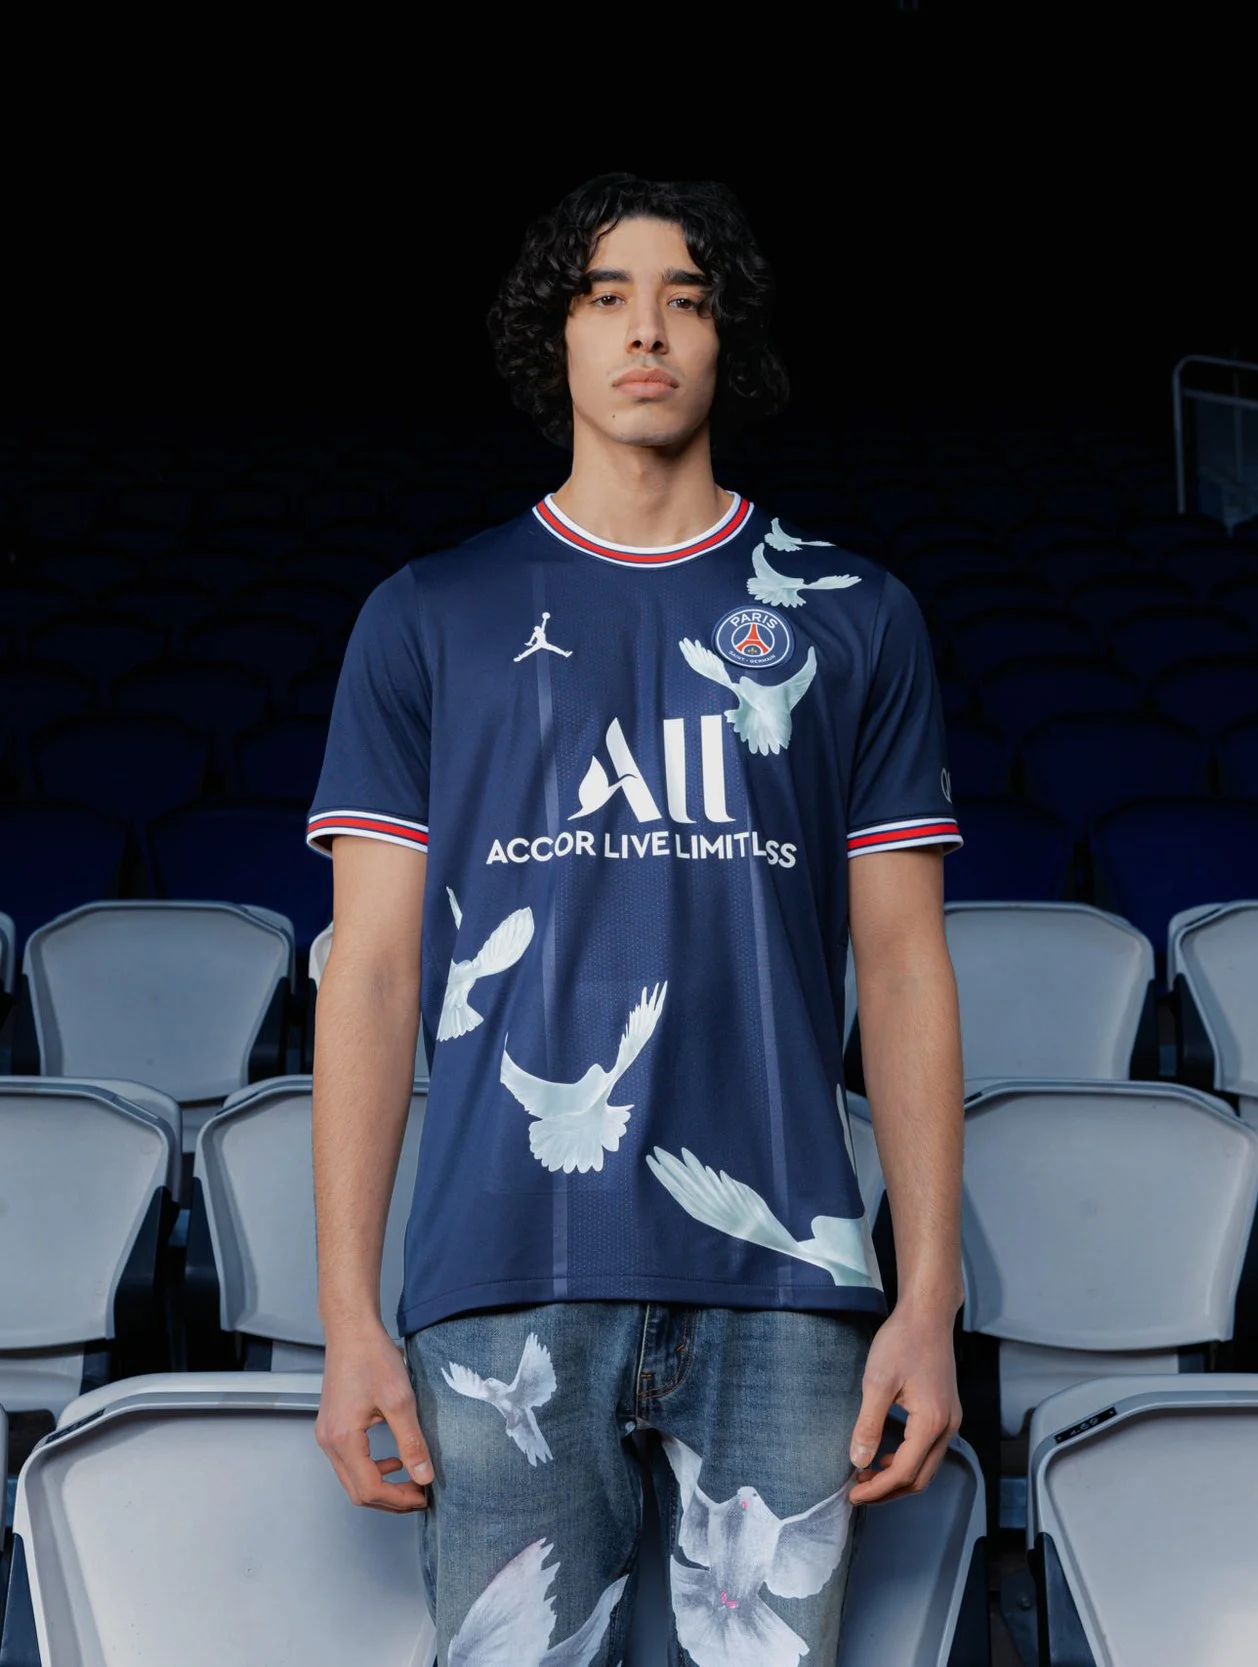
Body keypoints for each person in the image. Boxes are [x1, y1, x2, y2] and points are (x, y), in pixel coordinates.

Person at [307, 173, 967, 1666]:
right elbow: (375, 977)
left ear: (730, 341)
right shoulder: (431, 615)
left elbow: (907, 968)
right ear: (559, 340)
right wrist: (352, 1314)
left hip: (791, 1291)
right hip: (499, 1277)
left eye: (686, 295)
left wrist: (926, 1298)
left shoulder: (853, 613)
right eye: (605, 296)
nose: (646, 329)